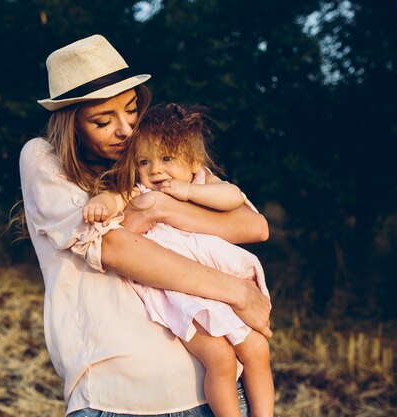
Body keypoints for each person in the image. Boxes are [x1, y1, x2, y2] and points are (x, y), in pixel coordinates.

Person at [19, 34, 271, 417]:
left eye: (132, 110)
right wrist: (238, 291)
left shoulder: (155, 156)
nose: (125, 130)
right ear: (71, 125)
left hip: (213, 393)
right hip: (118, 399)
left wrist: (158, 209)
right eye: (103, 120)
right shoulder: (43, 158)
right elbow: (114, 247)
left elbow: (251, 225)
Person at [83, 103, 274, 417]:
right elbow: (117, 199)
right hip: (175, 289)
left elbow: (234, 198)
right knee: (220, 358)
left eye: (167, 159)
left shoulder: (202, 183)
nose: (155, 170)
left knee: (257, 347)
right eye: (145, 161)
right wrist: (102, 202)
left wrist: (187, 192)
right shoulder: (140, 191)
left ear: (194, 161)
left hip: (216, 283)